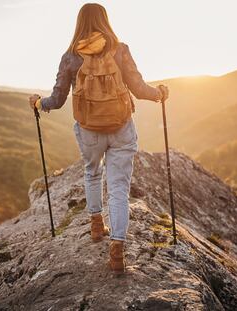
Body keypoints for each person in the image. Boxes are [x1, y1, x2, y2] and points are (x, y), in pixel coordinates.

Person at [28, 3, 169, 273]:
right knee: (118, 187)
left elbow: (57, 100)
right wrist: (159, 93)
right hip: (121, 127)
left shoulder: (70, 56)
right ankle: (117, 249)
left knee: (92, 173)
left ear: (79, 23)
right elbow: (138, 88)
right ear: (105, 21)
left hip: (89, 129)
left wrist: (38, 103)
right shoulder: (120, 49)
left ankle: (96, 225)